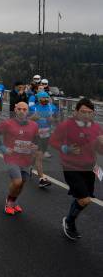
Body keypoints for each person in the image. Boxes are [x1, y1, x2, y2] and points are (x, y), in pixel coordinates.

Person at [50, 98, 103, 240]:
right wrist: (65, 148)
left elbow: (100, 150)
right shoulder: (66, 125)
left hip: (89, 167)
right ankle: (69, 222)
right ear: (76, 112)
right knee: (85, 200)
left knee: (85, 199)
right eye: (83, 112)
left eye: (89, 112)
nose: (86, 115)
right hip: (71, 166)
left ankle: (74, 208)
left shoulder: (97, 127)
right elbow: (53, 141)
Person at [0, 102, 39, 216]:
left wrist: (35, 146)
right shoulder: (7, 123)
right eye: (19, 109)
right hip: (12, 157)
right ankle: (9, 202)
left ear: (28, 111)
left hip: (26, 158)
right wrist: (3, 148)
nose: (22, 111)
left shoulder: (34, 125)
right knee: (17, 181)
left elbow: (37, 139)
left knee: (22, 182)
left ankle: (14, 201)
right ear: (15, 110)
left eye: (24, 109)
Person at [29, 91, 57, 188]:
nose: (45, 99)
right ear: (39, 99)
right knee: (39, 156)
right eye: (43, 98)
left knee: (36, 156)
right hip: (35, 136)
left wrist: (52, 120)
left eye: (46, 97)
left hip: (46, 136)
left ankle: (29, 165)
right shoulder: (33, 108)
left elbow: (56, 121)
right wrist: (32, 118)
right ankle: (41, 179)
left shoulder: (52, 107)